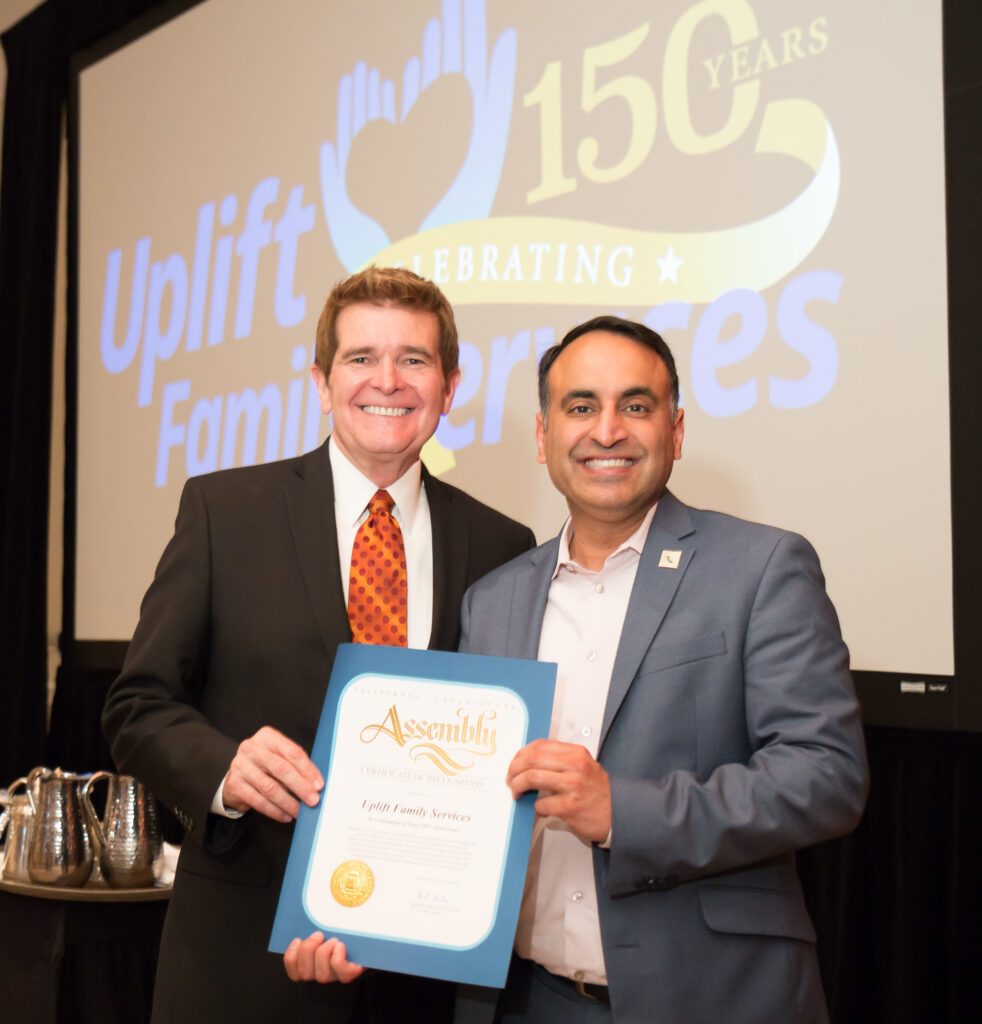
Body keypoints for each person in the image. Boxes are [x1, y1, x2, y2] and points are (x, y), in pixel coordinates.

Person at [102, 266, 535, 1024]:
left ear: (451, 383)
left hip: (424, 974)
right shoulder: (223, 512)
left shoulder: (502, 544)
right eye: (361, 358)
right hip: (241, 960)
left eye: (415, 359)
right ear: (320, 379)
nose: (387, 381)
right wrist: (224, 771)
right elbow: (137, 707)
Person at [453, 315, 869, 1023]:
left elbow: (826, 775)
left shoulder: (762, 568)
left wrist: (626, 812)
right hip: (525, 1001)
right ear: (542, 435)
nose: (607, 430)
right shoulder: (491, 601)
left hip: (713, 995)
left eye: (636, 406)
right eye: (581, 406)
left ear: (675, 432)